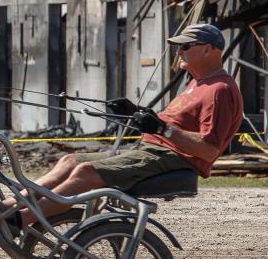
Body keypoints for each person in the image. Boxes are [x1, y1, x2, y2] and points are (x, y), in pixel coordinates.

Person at [20, 23, 243, 221]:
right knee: (70, 160)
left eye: (185, 46)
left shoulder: (220, 90)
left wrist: (161, 129)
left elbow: (209, 150)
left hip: (171, 159)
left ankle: (22, 219)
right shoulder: (197, 82)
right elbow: (177, 123)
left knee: (86, 171)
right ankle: (12, 205)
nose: (179, 51)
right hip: (150, 150)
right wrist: (137, 113)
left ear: (208, 49)